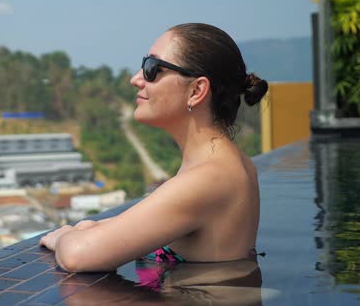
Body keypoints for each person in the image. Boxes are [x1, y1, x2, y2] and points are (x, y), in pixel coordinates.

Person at [40, 23, 269, 272]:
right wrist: (94, 228)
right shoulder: (226, 163)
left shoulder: (210, 177)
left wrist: (61, 237)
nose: (136, 79)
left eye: (152, 69)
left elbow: (77, 256)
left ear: (196, 91)